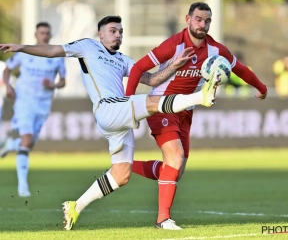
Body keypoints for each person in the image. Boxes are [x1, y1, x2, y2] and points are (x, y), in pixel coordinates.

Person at [0, 15, 220, 230]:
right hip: (108, 107)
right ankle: (200, 97)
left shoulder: (123, 60)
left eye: (121, 32)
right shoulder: (88, 47)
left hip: (118, 116)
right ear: (101, 34)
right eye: (113, 31)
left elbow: (152, 79)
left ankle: (76, 206)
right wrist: (20, 47)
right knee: (153, 102)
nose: (118, 36)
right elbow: (53, 50)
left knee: (121, 174)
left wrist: (173, 66)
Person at [125, 2, 268, 230]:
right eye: (199, 19)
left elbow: (240, 69)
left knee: (175, 171)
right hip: (161, 105)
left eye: (207, 21)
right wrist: (127, 103)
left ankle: (124, 166)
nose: (203, 24)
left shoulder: (216, 51)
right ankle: (163, 220)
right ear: (188, 19)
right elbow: (138, 68)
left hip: (185, 111)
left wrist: (261, 87)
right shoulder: (174, 44)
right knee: (175, 157)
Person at [0, 22, 66, 197]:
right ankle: (23, 187)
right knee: (27, 140)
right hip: (24, 102)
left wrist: (53, 84)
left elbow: (63, 81)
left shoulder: (57, 57)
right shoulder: (25, 53)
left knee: (28, 144)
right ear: (35, 34)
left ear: (50, 36)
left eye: (47, 33)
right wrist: (8, 86)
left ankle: (10, 145)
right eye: (41, 33)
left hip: (43, 105)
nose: (44, 36)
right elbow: (7, 69)